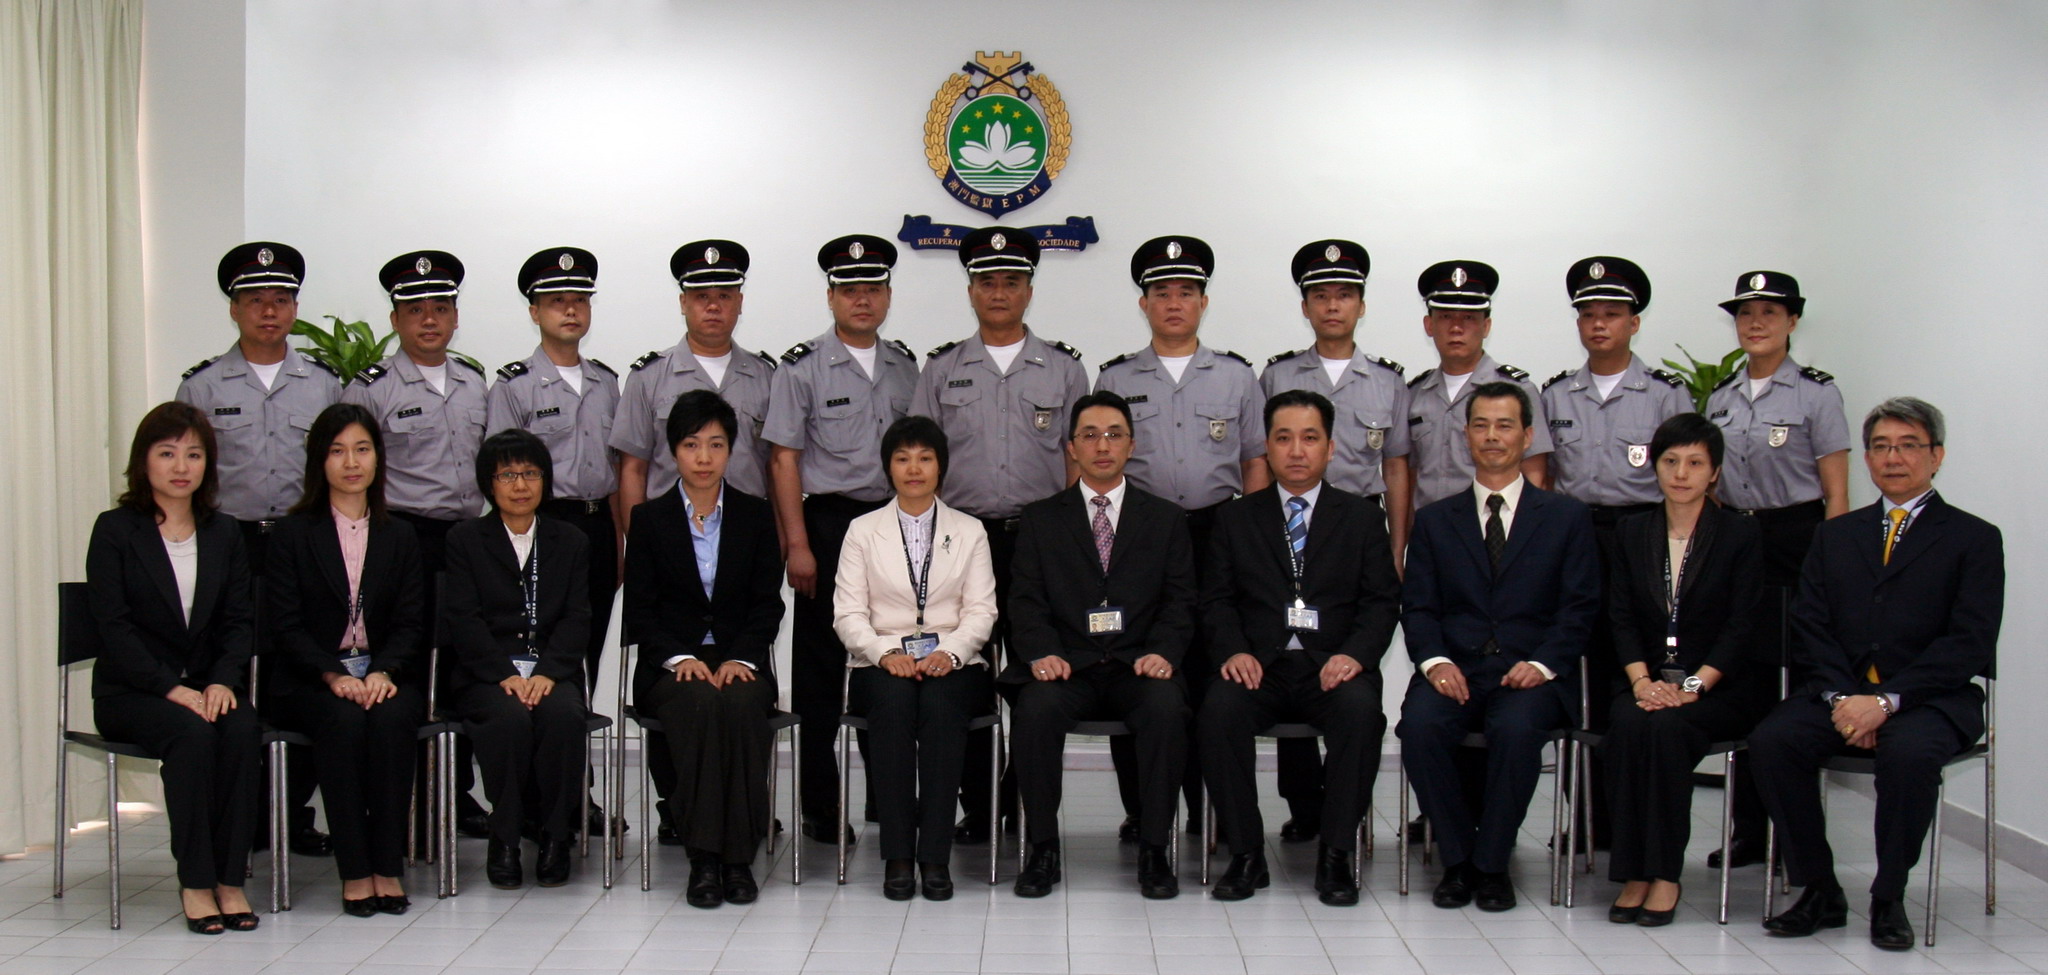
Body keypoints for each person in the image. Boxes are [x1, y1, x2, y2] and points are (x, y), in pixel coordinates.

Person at [1750, 397, 2003, 950]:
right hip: (1840, 692)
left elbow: (1970, 641)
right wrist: (1846, 699)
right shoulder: (1835, 534)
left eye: (1909, 446)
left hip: (1930, 699)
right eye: (1881, 447)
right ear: (1866, 458)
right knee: (1772, 741)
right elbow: (1811, 624)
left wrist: (1885, 703)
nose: (1893, 458)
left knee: (1909, 755)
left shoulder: (1975, 538)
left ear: (1936, 456)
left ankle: (1889, 896)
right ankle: (1820, 889)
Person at [910, 226, 1089, 843]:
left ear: (1029, 291)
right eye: (987, 282)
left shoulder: (1064, 369)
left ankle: (1022, 794)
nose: (999, 292)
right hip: (962, 544)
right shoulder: (941, 369)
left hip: (1042, 542)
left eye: (1011, 282)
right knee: (964, 670)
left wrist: (1077, 542)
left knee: (1041, 669)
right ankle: (982, 804)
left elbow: (1077, 461)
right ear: (970, 291)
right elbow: (919, 463)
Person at [1398, 382, 1599, 913]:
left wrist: (1543, 663)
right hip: (1456, 669)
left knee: (1516, 730)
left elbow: (1579, 608)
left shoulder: (1566, 517)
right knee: (1419, 727)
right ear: (1466, 436)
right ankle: (1458, 860)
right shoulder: (1435, 519)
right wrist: (1435, 663)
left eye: (1505, 425)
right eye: (1481, 425)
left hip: (1529, 673)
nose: (1492, 436)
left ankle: (1491, 866)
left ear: (1527, 436)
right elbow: (1418, 607)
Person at [1199, 390, 1399, 906]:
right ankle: (1247, 854)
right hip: (1260, 666)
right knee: (1218, 711)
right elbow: (1216, 600)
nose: (1296, 450)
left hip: (1333, 665)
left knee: (1361, 714)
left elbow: (1381, 603)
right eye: (1283, 438)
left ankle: (1335, 855)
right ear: (1266, 447)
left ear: (1330, 448)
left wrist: (1355, 655)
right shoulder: (1236, 518)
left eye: (1309, 438)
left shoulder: (1360, 517)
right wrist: (1233, 651)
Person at [1096, 235, 1266, 837]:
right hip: (1138, 537)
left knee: (1207, 669)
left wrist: (1253, 537)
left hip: (1216, 533)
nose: (1174, 303)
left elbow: (1254, 462)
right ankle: (1144, 809)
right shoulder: (1116, 376)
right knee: (1133, 664)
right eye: (1162, 293)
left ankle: (1208, 809)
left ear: (1203, 302)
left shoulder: (1237, 377)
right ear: (1143, 304)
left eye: (1186, 292)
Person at [178, 243, 338, 859]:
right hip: (230, 544)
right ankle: (240, 815)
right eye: (254, 301)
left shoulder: (323, 384)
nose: (268, 311)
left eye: (280, 300)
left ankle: (292, 813)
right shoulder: (201, 385)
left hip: (304, 545)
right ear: (233, 309)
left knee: (305, 675)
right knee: (233, 673)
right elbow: (186, 475)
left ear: (294, 308)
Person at [1005, 391, 1197, 900]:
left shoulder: (1166, 518)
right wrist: (1041, 652)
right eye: (1089, 435)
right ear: (1071, 447)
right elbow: (1024, 600)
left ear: (1132, 445)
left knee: (1166, 709)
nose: (1103, 445)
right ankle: (1042, 849)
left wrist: (1165, 652)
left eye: (1114, 434)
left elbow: (1181, 600)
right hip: (1068, 667)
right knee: (1034, 710)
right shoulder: (1041, 518)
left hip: (1139, 665)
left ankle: (1154, 848)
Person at [766, 234, 919, 845]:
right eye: (849, 289)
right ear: (830, 297)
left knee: (892, 653)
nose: (862, 299)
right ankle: (820, 802)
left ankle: (885, 793)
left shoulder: (906, 366)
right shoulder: (801, 367)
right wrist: (797, 544)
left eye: (873, 289)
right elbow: (783, 459)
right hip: (828, 527)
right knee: (821, 668)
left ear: (887, 296)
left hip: (895, 525)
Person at [1258, 239, 1411, 845]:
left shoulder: (1389, 381)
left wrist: (1397, 546)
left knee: (1344, 664)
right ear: (1305, 307)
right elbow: (1262, 459)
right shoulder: (1277, 375)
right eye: (1320, 296)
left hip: (1357, 532)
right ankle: (1304, 805)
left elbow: (1396, 466)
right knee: (1287, 649)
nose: (1332, 306)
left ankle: (1345, 806)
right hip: (1288, 529)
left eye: (1344, 295)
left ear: (1361, 306)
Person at [87, 402, 260, 934]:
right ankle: (196, 881)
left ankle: (230, 878)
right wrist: (169, 688)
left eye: (194, 454)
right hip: (131, 693)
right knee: (192, 735)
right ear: (144, 461)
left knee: (242, 728)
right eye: (167, 454)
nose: (181, 466)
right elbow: (113, 627)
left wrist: (222, 680)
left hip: (206, 686)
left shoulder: (224, 532)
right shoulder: (116, 530)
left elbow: (239, 621)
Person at [1539, 257, 1691, 852]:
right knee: (1582, 679)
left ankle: (1637, 819)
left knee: (1639, 674)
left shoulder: (1666, 395)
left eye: (1612, 314)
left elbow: (1687, 478)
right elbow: (1545, 480)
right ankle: (1587, 818)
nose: (1599, 324)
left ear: (1634, 323)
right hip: (1576, 538)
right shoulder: (1556, 394)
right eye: (1589, 315)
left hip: (1645, 539)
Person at [1597, 414, 1771, 926]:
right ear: (1654, 466)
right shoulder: (1632, 532)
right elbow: (1620, 617)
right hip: (1647, 681)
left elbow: (1742, 625)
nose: (1681, 473)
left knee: (1667, 731)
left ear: (1714, 472)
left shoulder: (1740, 534)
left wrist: (1694, 686)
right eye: (1670, 460)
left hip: (1718, 687)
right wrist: (1641, 682)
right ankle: (1633, 871)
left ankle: (1664, 873)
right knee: (1628, 723)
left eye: (1695, 463)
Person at [1702, 271, 1851, 868]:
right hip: (1738, 540)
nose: (1755, 323)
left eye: (1769, 312)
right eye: (1746, 313)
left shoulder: (1816, 394)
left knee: (1800, 686)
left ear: (1792, 321)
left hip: (1799, 540)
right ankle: (1748, 830)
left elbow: (1837, 494)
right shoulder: (1721, 398)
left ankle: (1794, 835)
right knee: (1746, 681)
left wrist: (1833, 566)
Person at [342, 249, 492, 836]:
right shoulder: (371, 388)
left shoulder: (475, 383)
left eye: (440, 308)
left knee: (463, 663)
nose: (429, 319)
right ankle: (405, 794)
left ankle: (455, 794)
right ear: (395, 320)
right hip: (402, 539)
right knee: (404, 664)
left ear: (455, 317)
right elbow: (347, 472)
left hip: (467, 540)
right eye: (415, 310)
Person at [1401, 261, 1550, 842]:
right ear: (1428, 325)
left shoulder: (1516, 389)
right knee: (1445, 687)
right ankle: (1451, 816)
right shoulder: (1414, 393)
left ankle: (1484, 822)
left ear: (1487, 324)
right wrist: (1402, 549)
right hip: (1442, 552)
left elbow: (1535, 478)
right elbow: (1406, 476)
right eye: (1445, 317)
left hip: (1506, 550)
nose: (1456, 327)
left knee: (1502, 699)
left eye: (1469, 317)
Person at [263, 403, 427, 917]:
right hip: (310, 679)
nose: (351, 462)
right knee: (343, 721)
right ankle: (355, 871)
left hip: (381, 674)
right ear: (319, 460)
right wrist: (332, 674)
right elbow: (284, 626)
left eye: (362, 449)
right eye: (337, 451)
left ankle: (387, 868)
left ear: (378, 458)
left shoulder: (400, 534)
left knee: (394, 718)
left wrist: (384, 671)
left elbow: (411, 622)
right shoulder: (292, 534)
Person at [625, 390, 786, 908]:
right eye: (692, 444)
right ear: (674, 450)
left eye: (716, 445)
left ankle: (736, 860)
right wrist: (681, 658)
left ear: (731, 451)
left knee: (739, 703)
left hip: (739, 657)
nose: (703, 457)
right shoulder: (648, 519)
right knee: (698, 703)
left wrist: (741, 658)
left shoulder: (756, 516)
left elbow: (768, 605)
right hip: (671, 663)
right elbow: (641, 612)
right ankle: (705, 860)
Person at [833, 416, 997, 901]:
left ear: (941, 466)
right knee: (894, 704)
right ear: (888, 467)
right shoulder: (862, 531)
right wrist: (884, 653)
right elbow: (848, 614)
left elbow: (982, 611)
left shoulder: (970, 531)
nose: (914, 469)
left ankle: (935, 855)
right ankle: (899, 855)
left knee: (943, 707)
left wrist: (951, 652)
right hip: (880, 661)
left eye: (925, 458)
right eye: (902, 458)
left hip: (953, 660)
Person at [440, 430, 593, 889]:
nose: (521, 485)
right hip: (488, 675)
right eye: (507, 475)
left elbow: (577, 617)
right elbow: (464, 619)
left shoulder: (570, 540)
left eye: (530, 473)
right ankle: (504, 837)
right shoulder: (465, 539)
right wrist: (504, 674)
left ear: (545, 479)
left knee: (563, 717)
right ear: (489, 484)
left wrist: (548, 672)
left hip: (551, 672)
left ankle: (555, 836)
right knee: (506, 720)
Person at [486, 247, 621, 687]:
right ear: (534, 312)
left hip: (599, 525)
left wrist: (620, 540)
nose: (570, 310)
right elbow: (500, 475)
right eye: (557, 301)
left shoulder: (607, 383)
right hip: (542, 526)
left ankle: (583, 728)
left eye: (580, 300)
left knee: (593, 636)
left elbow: (616, 469)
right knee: (542, 643)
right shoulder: (514, 386)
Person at [611, 240, 776, 526]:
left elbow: (776, 467)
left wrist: (782, 538)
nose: (713, 306)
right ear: (683, 303)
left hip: (748, 528)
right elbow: (633, 470)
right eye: (701, 297)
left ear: (739, 303)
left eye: (724, 296)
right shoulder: (648, 378)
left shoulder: (767, 377)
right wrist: (638, 540)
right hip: (668, 529)